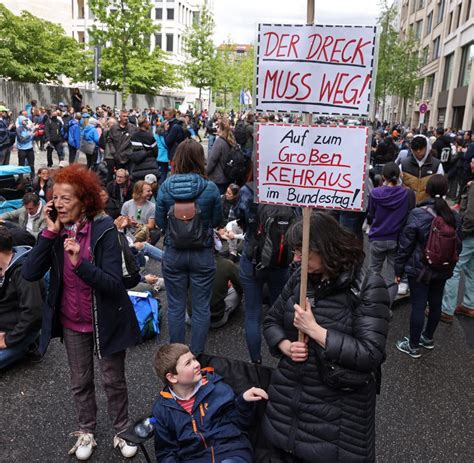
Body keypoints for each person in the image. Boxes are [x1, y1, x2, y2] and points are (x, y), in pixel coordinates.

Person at [22, 164, 141, 460]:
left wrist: (80, 265)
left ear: (84, 201)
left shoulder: (103, 230)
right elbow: (29, 272)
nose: (58, 204)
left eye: (66, 199)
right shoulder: (55, 230)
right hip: (73, 322)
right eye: (55, 198)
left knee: (113, 380)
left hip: (106, 321)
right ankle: (86, 429)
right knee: (80, 381)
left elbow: (114, 284)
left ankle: (122, 429)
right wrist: (49, 233)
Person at [263, 212, 390, 462]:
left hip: (338, 419)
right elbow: (271, 320)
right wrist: (284, 344)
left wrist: (316, 331)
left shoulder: (367, 286)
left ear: (324, 248)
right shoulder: (301, 278)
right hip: (289, 407)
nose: (296, 259)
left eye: (302, 252)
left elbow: (371, 354)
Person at [155, 139, 222, 355]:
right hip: (202, 253)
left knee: (175, 306)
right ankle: (197, 357)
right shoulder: (210, 188)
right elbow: (217, 221)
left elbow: (160, 223)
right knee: (201, 308)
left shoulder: (165, 187)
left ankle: (177, 358)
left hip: (174, 252)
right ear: (199, 159)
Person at [152, 343, 268, 463]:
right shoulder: (162, 409)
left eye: (194, 359)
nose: (197, 364)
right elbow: (166, 451)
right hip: (194, 458)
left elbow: (239, 424)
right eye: (188, 363)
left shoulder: (218, 389)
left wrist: (243, 402)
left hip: (230, 451)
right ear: (172, 378)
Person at [395, 175, 461, 358]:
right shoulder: (454, 216)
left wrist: (398, 270)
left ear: (428, 190)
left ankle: (413, 346)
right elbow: (459, 245)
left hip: (420, 270)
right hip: (443, 269)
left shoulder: (418, 214)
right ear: (447, 191)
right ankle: (428, 338)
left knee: (418, 305)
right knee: (435, 302)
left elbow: (405, 245)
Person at [234, 164, 294, 363]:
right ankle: (283, 360)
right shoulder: (291, 188)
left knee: (252, 314)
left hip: (252, 258)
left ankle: (256, 362)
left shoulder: (249, 190)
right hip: (282, 259)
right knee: (282, 311)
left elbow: (239, 215)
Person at [367, 162, 415, 304]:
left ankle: (369, 302)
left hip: (377, 237)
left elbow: (371, 214)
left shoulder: (376, 193)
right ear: (400, 175)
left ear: (383, 177)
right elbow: (410, 214)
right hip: (396, 238)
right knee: (392, 276)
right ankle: (387, 306)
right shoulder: (407, 193)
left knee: (373, 271)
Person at [0, 227, 43, 370]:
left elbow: (33, 313)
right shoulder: (4, 267)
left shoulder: (25, 272)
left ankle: (30, 345)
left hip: (17, 332)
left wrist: (7, 340)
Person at [441, 158, 474, 322]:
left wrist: (462, 232)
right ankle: (469, 304)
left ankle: (446, 309)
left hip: (470, 234)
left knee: (454, 269)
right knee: (471, 269)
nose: (472, 163)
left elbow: (470, 216)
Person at [401, 134, 443, 204]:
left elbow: (441, 187)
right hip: (407, 205)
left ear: (427, 147)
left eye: (421, 148)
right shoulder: (403, 165)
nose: (418, 151)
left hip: (428, 207)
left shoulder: (437, 165)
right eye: (415, 149)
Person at [206, 119, 234, 194]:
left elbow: (212, 160)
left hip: (218, 179)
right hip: (228, 177)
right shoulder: (231, 140)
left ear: (221, 129)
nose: (216, 129)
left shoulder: (219, 142)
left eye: (217, 127)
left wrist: (205, 173)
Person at [128, 117, 160, 181]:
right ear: (144, 124)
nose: (149, 123)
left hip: (137, 166)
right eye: (147, 122)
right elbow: (156, 152)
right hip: (150, 165)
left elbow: (131, 150)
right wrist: (148, 153)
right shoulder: (150, 136)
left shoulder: (133, 136)